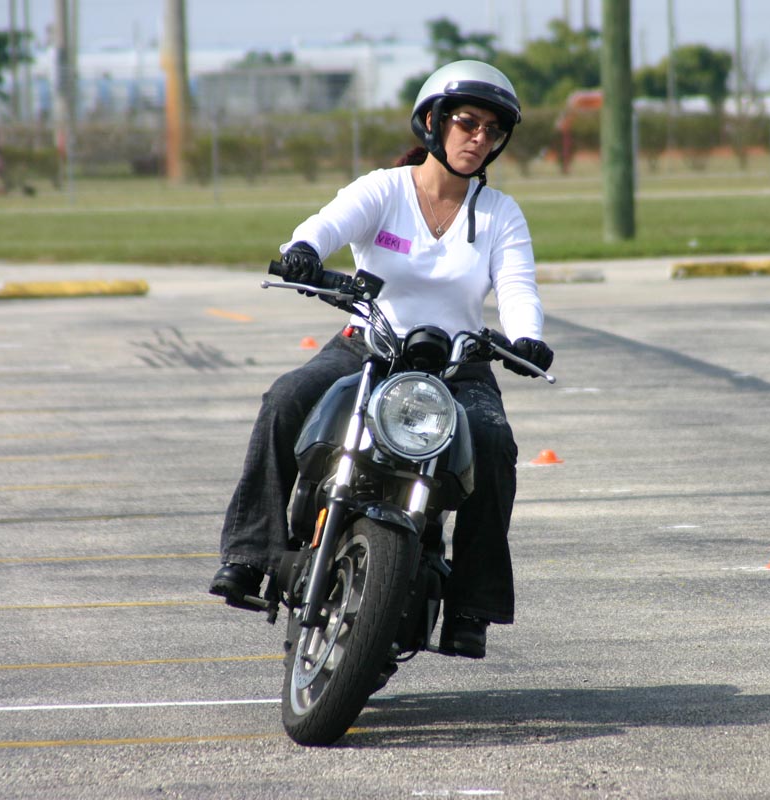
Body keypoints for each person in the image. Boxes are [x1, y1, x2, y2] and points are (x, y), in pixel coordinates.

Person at [209, 60, 554, 659]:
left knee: (494, 444)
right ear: (433, 122)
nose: (479, 137)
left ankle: (472, 605)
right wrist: (303, 250)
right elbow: (326, 225)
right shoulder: (384, 189)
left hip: (457, 364)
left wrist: (526, 337)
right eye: (467, 122)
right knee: (286, 398)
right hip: (368, 344)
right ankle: (250, 555)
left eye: (492, 130)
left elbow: (519, 287)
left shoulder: (500, 213)